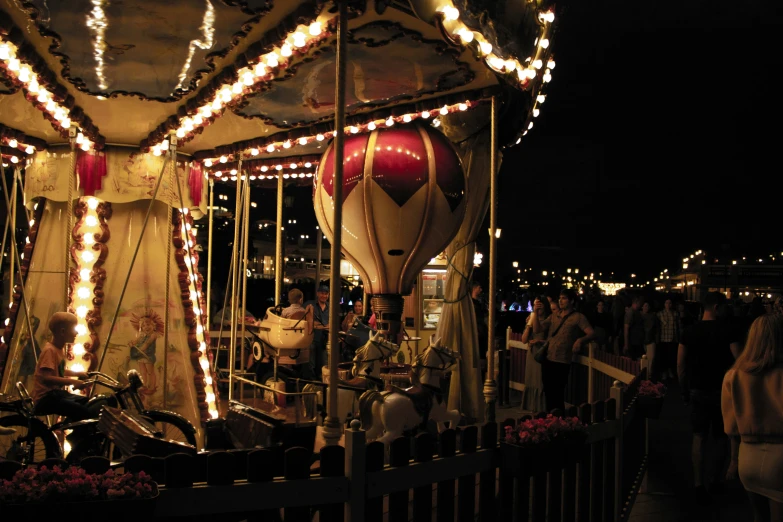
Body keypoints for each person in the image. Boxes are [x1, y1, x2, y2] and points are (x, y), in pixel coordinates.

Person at [678, 291, 742, 500]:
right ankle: (716, 480)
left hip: (697, 389)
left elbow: (680, 364)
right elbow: (739, 361)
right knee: (721, 437)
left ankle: (698, 483)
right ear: (716, 307)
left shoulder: (689, 331)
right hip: (722, 391)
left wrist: (683, 387)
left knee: (699, 436)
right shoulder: (728, 330)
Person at [722, 314, 783, 522]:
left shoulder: (734, 375)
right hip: (779, 456)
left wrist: (733, 460)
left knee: (758, 516)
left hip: (747, 456)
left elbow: (730, 427)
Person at [531, 289, 596, 413]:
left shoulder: (578, 317)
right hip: (548, 357)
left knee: (557, 393)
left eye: (564, 298)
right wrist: (535, 312)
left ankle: (558, 421)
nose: (560, 301)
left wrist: (580, 340)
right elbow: (537, 330)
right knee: (548, 391)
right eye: (560, 298)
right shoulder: (554, 316)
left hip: (562, 360)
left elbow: (591, 333)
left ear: (571, 300)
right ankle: (549, 419)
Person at [32, 312, 91, 420]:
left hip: (55, 394)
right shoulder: (50, 350)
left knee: (86, 402)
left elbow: (58, 371)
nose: (76, 332)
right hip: (45, 398)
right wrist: (73, 381)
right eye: (74, 329)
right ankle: (76, 435)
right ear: (63, 331)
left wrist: (77, 374)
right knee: (81, 411)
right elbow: (46, 378)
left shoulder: (59, 349)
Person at [521, 295, 551, 412]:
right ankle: (531, 406)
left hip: (542, 353)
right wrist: (530, 324)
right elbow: (524, 340)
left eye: (539, 306)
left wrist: (539, 341)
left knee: (540, 381)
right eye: (535, 306)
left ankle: (541, 408)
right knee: (530, 380)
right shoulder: (531, 319)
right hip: (532, 353)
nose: (537, 308)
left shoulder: (548, 320)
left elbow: (551, 339)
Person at [303, 284, 330, 380]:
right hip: (312, 338)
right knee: (311, 363)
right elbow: (306, 320)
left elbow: (333, 322)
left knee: (324, 364)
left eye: (326, 294)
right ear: (317, 294)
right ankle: (311, 383)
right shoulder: (310, 305)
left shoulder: (330, 307)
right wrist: (319, 325)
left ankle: (322, 383)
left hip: (324, 340)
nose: (324, 296)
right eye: (322, 293)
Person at [656, 298, 680, 382]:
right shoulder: (660, 314)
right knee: (664, 357)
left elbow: (677, 327)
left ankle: (670, 371)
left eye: (670, 303)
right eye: (667, 303)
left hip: (673, 339)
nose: (668, 305)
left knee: (671, 357)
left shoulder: (675, 314)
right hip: (663, 339)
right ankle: (664, 372)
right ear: (664, 304)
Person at [641, 302, 659, 381]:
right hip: (641, 340)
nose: (646, 307)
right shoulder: (639, 316)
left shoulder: (653, 316)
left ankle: (649, 376)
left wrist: (656, 339)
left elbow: (657, 328)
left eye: (647, 306)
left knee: (651, 359)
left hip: (650, 340)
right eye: (645, 306)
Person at [471, 282, 488, 362]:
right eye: (479, 288)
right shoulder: (471, 304)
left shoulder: (479, 303)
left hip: (480, 330)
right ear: (474, 289)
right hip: (478, 331)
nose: (481, 290)